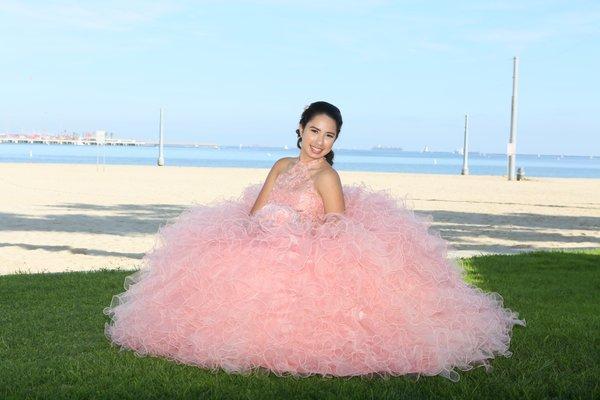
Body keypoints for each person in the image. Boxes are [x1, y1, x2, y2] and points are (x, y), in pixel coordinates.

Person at [103, 101, 526, 382]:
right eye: (314, 131)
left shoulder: (328, 176)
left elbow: (335, 225)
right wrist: (261, 232)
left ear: (335, 141)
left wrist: (294, 236)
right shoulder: (282, 164)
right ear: (300, 130)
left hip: (303, 248)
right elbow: (256, 209)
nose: (319, 141)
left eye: (329, 135)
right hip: (263, 240)